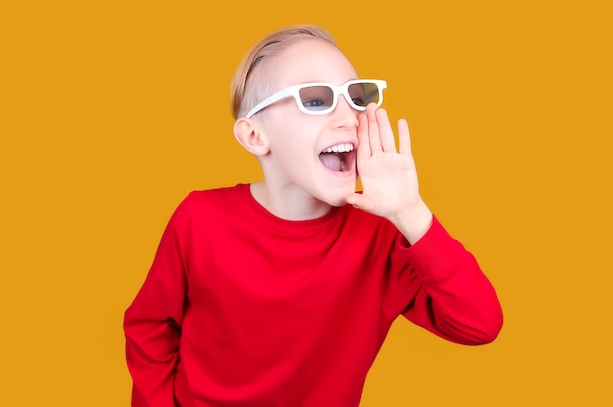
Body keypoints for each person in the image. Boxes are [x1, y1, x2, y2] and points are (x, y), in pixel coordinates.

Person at [123, 24, 503, 407]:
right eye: (316, 100)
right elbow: (149, 328)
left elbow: (479, 323)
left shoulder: (382, 236)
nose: (350, 117)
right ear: (254, 136)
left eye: (356, 97)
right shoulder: (199, 219)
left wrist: (410, 211)